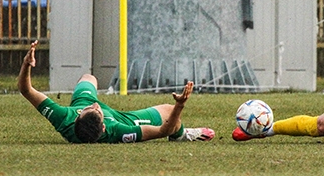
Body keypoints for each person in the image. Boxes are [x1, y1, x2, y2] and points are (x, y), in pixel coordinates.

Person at [18, 41, 215, 143]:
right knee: (169, 112)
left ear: (77, 116)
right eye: (97, 110)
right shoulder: (118, 131)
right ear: (103, 127)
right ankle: (183, 135)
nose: (96, 105)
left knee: (88, 78)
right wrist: (180, 105)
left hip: (80, 105)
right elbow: (162, 131)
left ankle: (84, 100)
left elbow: (26, 90)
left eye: (89, 108)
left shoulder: (63, 117)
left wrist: (27, 64)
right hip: (123, 118)